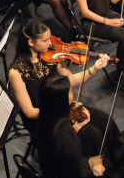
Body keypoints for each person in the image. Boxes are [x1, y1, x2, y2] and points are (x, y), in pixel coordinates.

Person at [7, 19, 114, 147]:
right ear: (31, 42)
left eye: (49, 38)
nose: (50, 43)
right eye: (45, 40)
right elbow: (30, 112)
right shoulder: (16, 72)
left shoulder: (51, 56)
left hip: (63, 107)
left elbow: (72, 80)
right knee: (92, 135)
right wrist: (63, 110)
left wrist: (94, 69)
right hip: (44, 119)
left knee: (106, 121)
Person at [33, 72, 111, 178]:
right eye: (70, 92)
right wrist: (95, 172)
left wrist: (80, 125)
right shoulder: (67, 139)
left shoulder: (45, 120)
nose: (73, 93)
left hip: (52, 174)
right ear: (62, 100)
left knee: (92, 134)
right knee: (110, 176)